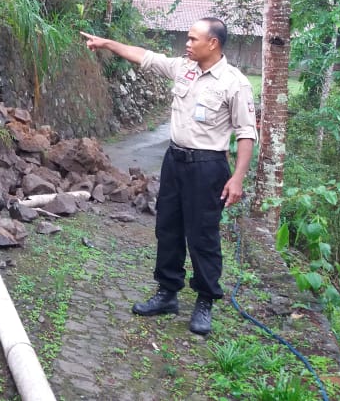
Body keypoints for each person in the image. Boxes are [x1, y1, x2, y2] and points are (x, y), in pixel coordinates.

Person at [81, 17, 257, 336]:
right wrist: (107, 44)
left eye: (192, 39)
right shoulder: (183, 68)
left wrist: (238, 178)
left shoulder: (235, 83)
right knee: (168, 228)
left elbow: (246, 133)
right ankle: (167, 293)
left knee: (202, 235)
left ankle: (205, 300)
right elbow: (144, 55)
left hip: (208, 166)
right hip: (174, 160)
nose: (186, 44)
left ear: (212, 43)